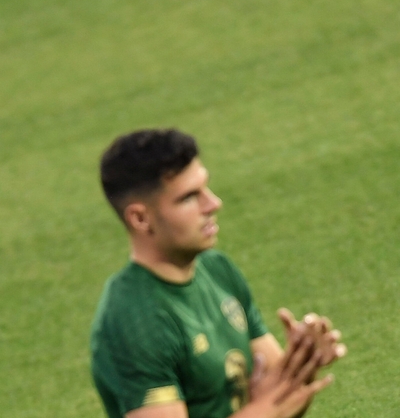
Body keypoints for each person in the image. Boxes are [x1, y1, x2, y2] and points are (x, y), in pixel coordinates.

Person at [90, 128, 346, 418]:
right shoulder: (135, 320)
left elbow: (280, 402)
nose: (213, 204)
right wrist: (264, 411)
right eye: (189, 197)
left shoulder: (216, 269)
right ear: (140, 218)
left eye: (206, 188)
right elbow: (267, 411)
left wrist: (300, 368)